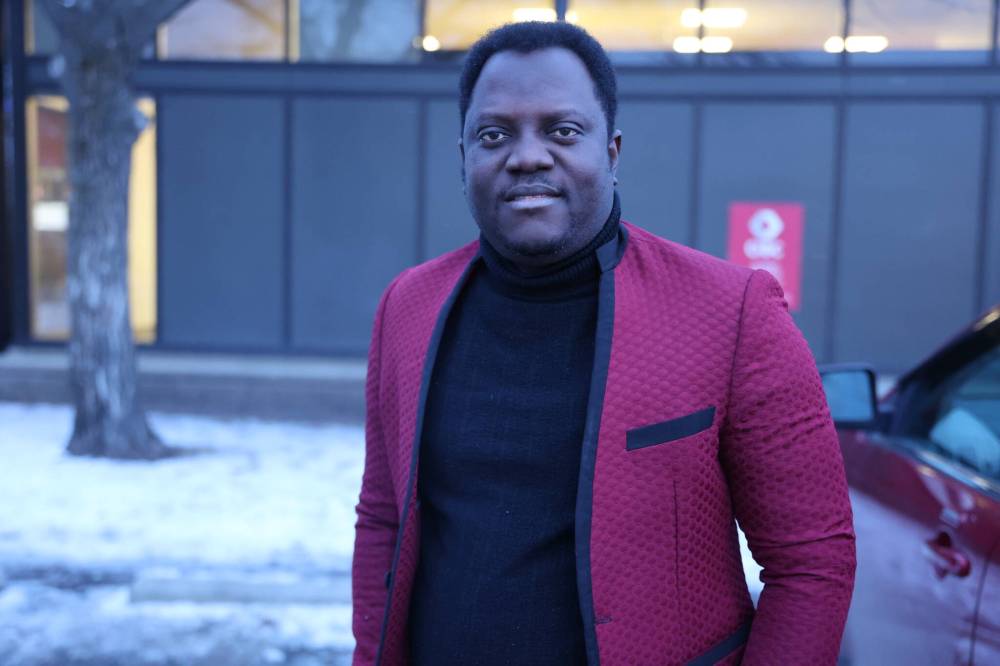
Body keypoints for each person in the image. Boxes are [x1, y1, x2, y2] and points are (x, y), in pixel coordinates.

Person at [352, 21, 855, 666]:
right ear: (464, 157)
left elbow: (813, 561)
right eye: (494, 134)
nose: (527, 156)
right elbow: (384, 520)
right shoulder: (408, 307)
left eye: (562, 131)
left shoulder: (732, 312)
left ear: (612, 152)